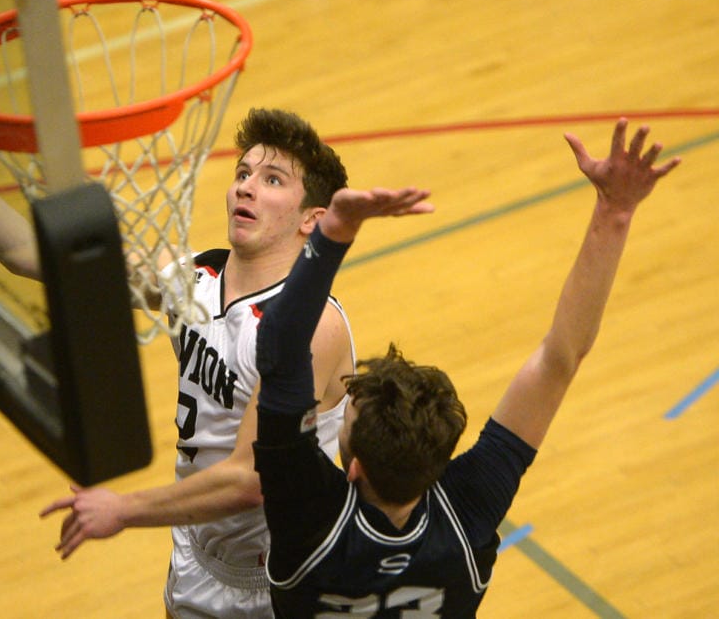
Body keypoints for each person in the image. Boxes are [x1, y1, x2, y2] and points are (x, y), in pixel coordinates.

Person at [251, 118, 680, 618]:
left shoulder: (309, 519)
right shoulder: (466, 512)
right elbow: (560, 357)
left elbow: (280, 348)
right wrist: (615, 211)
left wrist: (335, 232)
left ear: (354, 467)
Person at [0, 108, 362, 618]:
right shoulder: (194, 281)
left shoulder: (311, 326)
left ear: (312, 219)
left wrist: (123, 510)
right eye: (243, 173)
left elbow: (249, 478)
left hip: (287, 579)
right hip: (198, 549)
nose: (246, 188)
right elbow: (26, 252)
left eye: (272, 179)